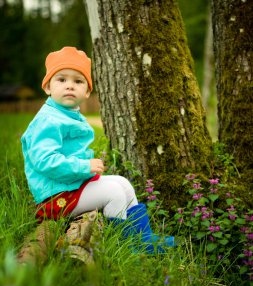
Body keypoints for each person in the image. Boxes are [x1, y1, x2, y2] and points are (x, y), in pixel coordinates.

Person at [21, 46, 174, 253]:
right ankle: (128, 248)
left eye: (78, 81)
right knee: (113, 193)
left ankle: (144, 239)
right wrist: (84, 166)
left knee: (124, 183)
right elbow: (44, 160)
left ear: (87, 91)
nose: (69, 86)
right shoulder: (48, 120)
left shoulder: (65, 114)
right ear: (48, 87)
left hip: (70, 186)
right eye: (61, 79)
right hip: (55, 197)